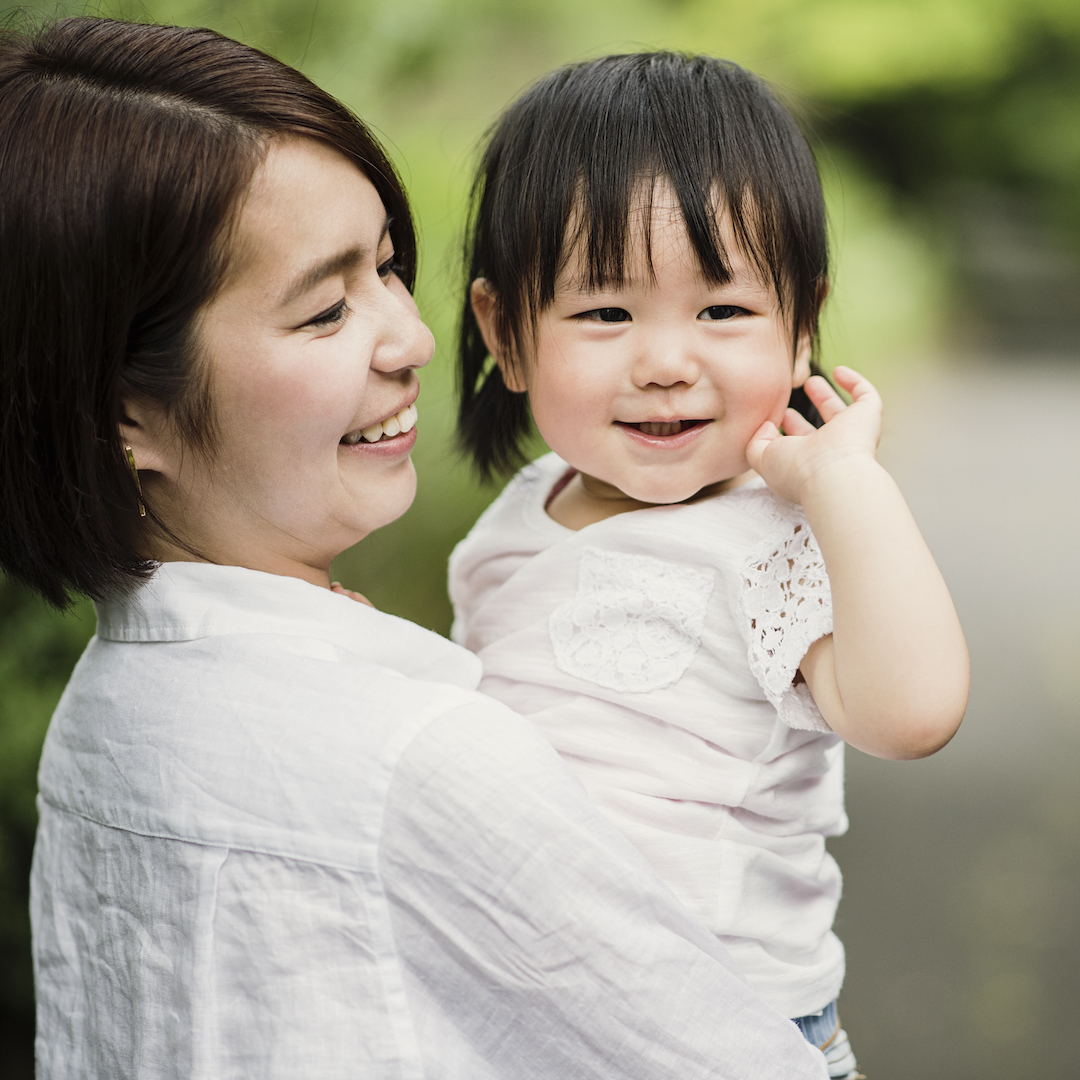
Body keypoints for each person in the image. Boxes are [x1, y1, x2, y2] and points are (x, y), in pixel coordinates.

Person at [0, 18, 839, 1080]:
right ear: (126, 406)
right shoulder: (422, 762)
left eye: (388, 269)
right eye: (322, 311)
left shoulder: (106, 718)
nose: (414, 338)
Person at [450, 53, 971, 1080]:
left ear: (802, 324)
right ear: (506, 334)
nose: (664, 361)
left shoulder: (776, 531)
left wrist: (846, 485)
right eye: (605, 313)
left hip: (726, 1037)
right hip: (534, 1028)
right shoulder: (516, 521)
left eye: (723, 311)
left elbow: (911, 711)